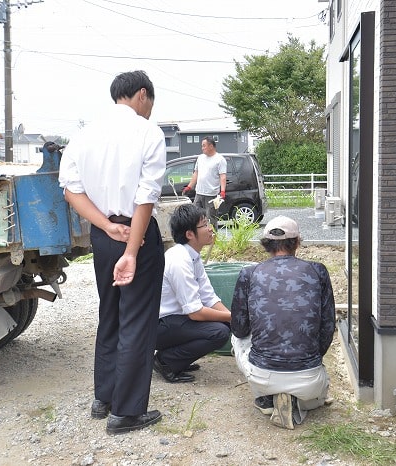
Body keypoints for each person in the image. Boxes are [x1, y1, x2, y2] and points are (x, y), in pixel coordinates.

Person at [58, 70, 166, 435]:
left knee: (111, 313)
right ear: (141, 95)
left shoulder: (84, 135)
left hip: (103, 235)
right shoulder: (147, 131)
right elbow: (145, 196)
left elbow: (71, 192)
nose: (149, 108)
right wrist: (132, 250)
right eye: (149, 101)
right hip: (136, 234)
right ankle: (127, 413)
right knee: (136, 319)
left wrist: (105, 228)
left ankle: (103, 398)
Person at [230, 216, 336, 430]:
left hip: (262, 376)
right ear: (297, 242)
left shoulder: (249, 274)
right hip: (309, 378)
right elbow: (328, 327)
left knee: (236, 338)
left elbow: (239, 328)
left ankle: (266, 399)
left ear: (265, 245)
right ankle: (302, 400)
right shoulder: (318, 271)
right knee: (313, 392)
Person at [155, 204, 231, 383]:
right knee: (218, 332)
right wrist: (231, 317)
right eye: (204, 225)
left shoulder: (193, 257)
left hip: (175, 321)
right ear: (190, 234)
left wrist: (231, 318)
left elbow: (209, 297)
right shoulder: (179, 261)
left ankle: (176, 358)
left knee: (224, 325)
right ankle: (165, 361)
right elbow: (195, 312)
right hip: (159, 325)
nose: (210, 228)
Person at [181, 136, 227, 230]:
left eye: (204, 146)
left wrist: (222, 191)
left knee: (211, 219)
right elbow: (196, 174)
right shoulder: (200, 158)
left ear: (211, 146)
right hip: (199, 193)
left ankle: (213, 242)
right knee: (194, 217)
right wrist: (189, 187)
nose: (202, 148)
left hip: (212, 195)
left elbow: (223, 176)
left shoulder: (220, 159)